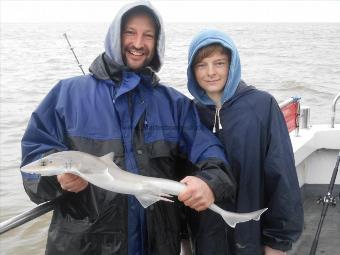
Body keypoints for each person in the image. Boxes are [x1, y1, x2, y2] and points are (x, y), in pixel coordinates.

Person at [20, 2, 236, 255]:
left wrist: (209, 183)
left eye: (148, 35)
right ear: (115, 35)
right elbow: (33, 164)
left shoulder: (174, 104)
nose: (138, 42)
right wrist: (58, 181)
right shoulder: (67, 95)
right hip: (85, 246)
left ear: (157, 43)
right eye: (130, 32)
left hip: (158, 244)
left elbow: (210, 151)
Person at [186, 29, 303, 255]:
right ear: (192, 70)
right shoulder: (189, 113)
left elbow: (282, 178)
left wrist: (277, 243)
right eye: (202, 65)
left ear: (232, 64)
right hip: (205, 238)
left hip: (252, 236)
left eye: (219, 63)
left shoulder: (262, 106)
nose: (211, 72)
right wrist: (185, 238)